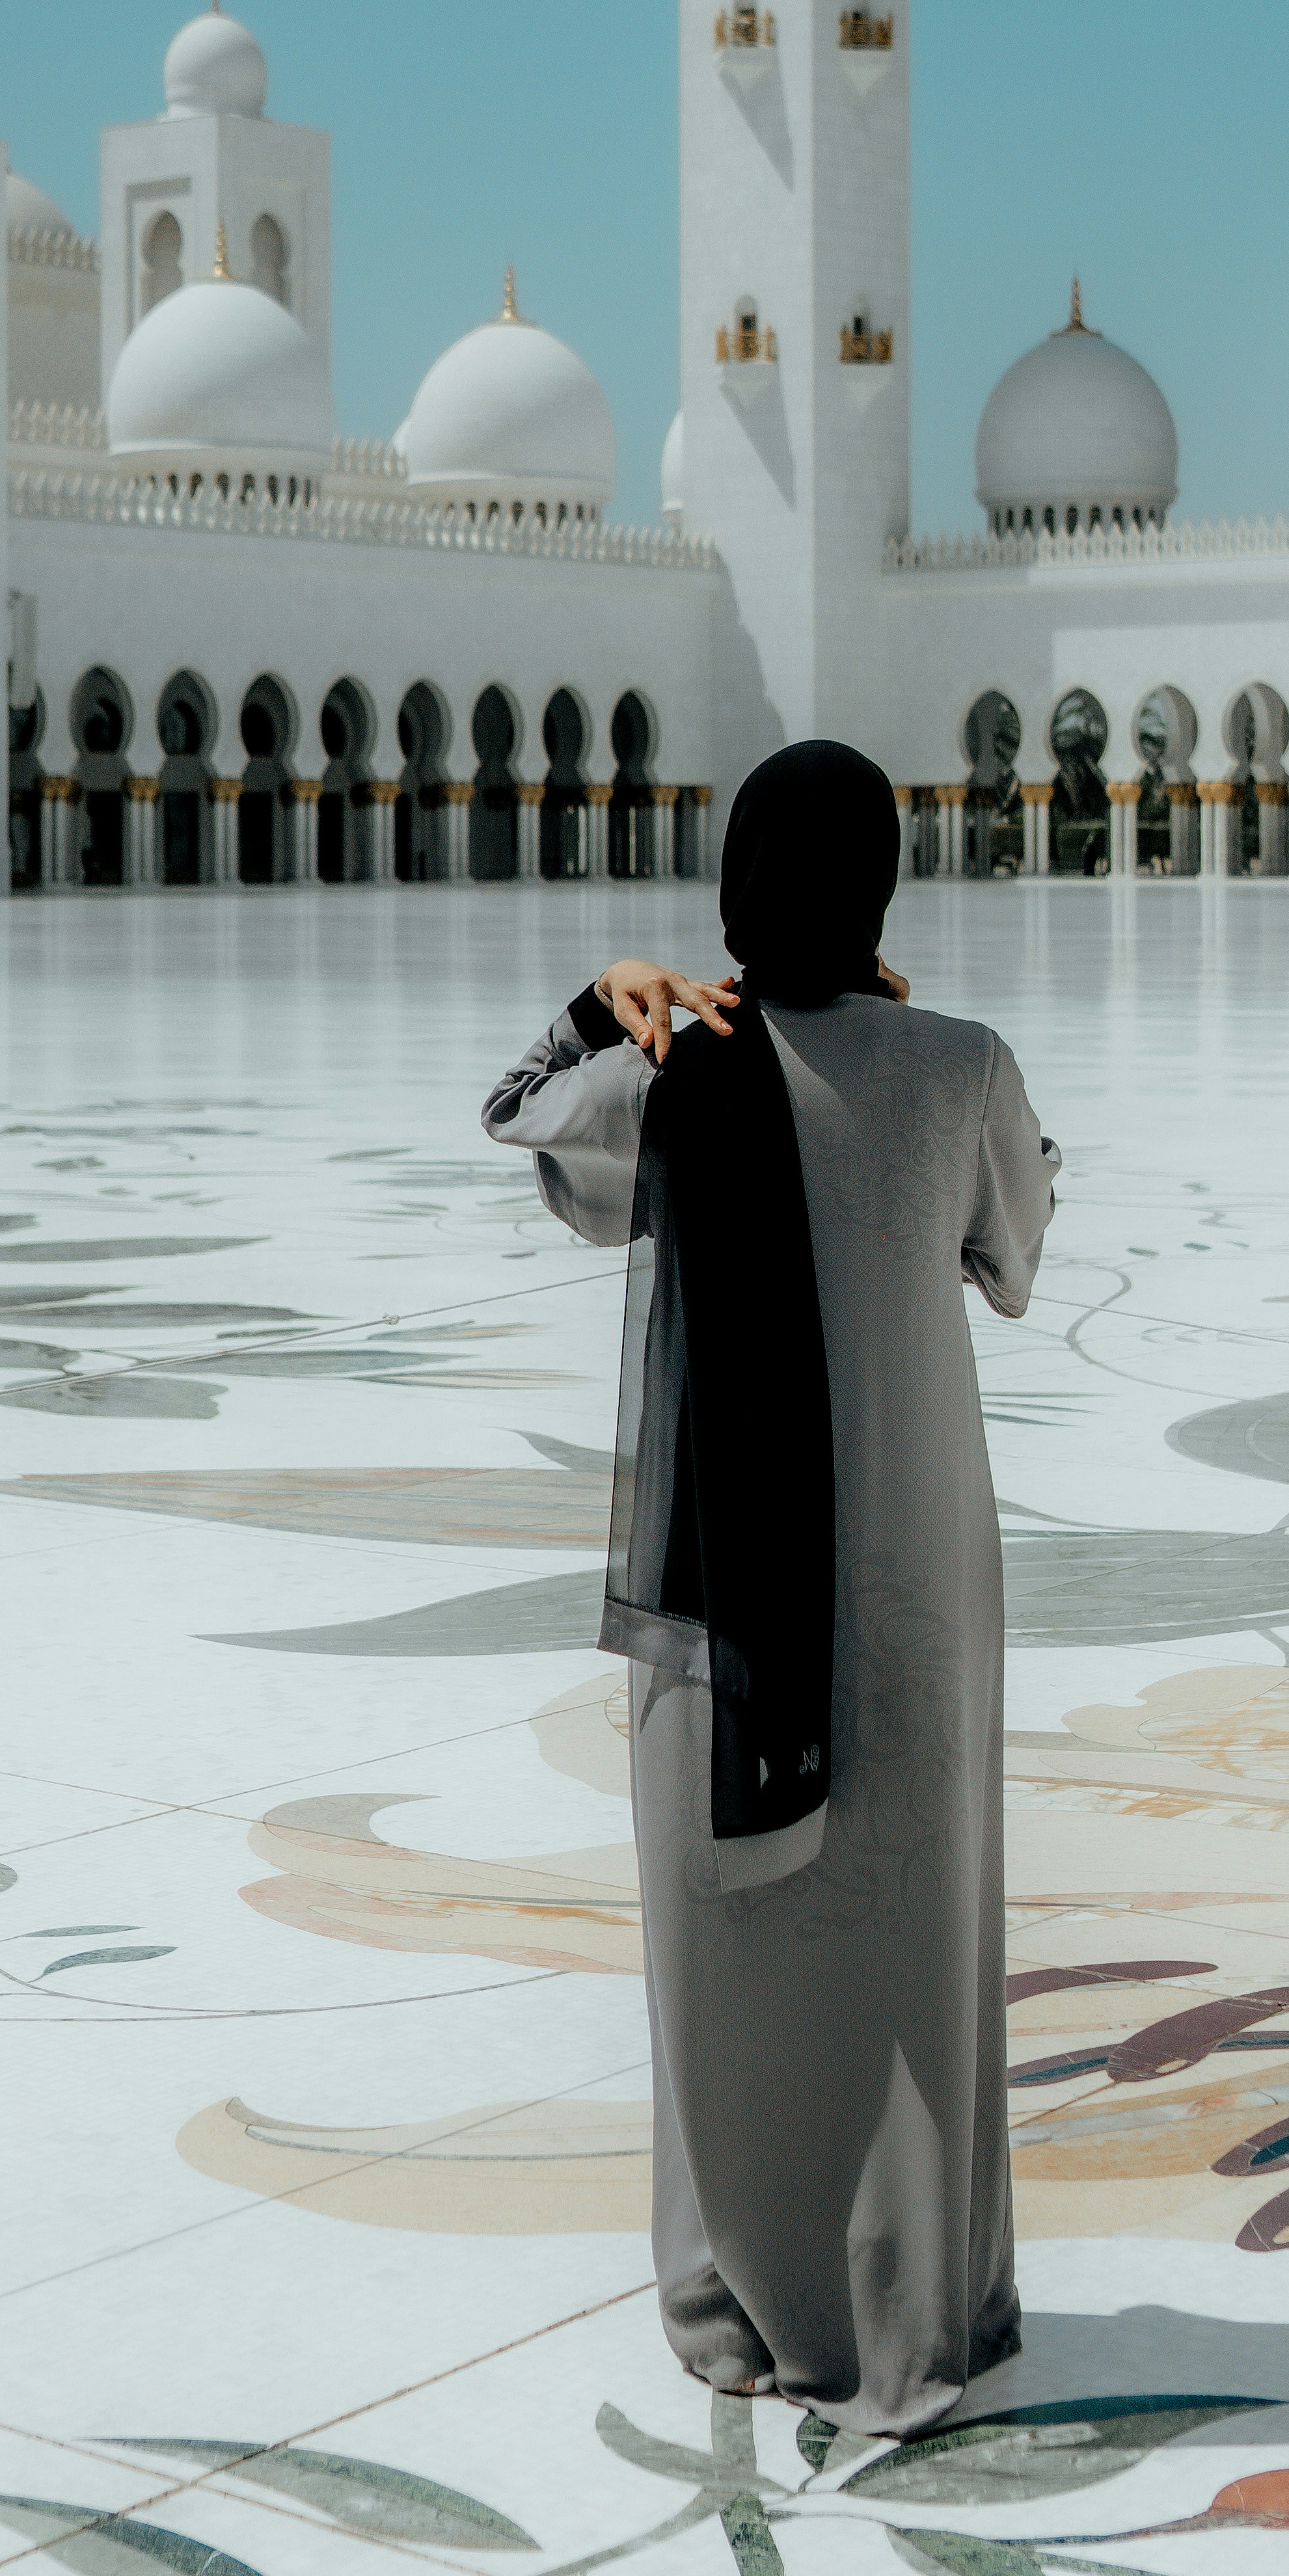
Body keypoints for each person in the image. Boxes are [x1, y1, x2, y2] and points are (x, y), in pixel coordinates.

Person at [480, 737, 1059, 2435]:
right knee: (908, 1939)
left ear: (737, 888)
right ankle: (912, 2294)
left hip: (721, 1591)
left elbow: (518, 1121)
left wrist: (607, 1002)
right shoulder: (958, 1064)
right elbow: (1014, 1250)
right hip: (916, 1586)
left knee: (730, 1934)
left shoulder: (677, 1070)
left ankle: (733, 2297)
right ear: (878, 887)